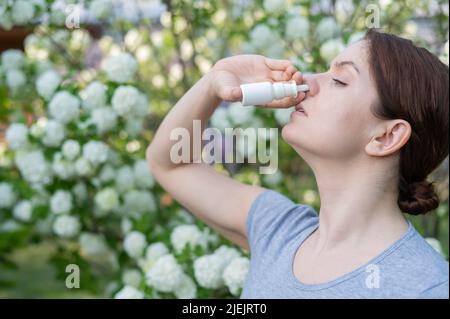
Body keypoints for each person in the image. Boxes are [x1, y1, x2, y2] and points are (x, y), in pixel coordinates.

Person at [146, 28, 449, 298]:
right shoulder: (279, 230)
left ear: (387, 136)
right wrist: (214, 81)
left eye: (339, 80)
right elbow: (172, 164)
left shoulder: (427, 287)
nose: (305, 81)